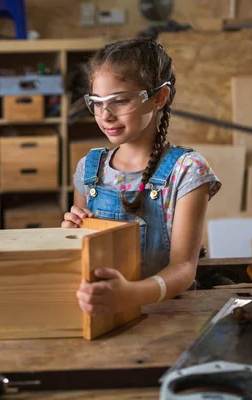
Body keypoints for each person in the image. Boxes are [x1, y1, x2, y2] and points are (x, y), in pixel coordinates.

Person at [62, 38, 221, 316]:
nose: (105, 115)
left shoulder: (186, 170)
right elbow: (82, 260)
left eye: (119, 101)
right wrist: (71, 235)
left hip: (168, 316)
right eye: (97, 103)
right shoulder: (89, 169)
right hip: (105, 312)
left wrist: (132, 295)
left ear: (159, 97)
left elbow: (183, 268)